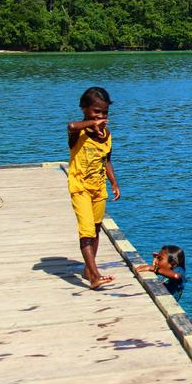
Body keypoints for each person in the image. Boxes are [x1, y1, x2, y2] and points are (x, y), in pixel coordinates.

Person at [67, 87, 120, 289]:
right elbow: (70, 125)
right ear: (84, 109)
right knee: (87, 231)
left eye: (104, 113)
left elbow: (107, 160)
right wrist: (92, 123)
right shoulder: (78, 132)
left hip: (98, 188)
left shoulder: (106, 134)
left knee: (97, 229)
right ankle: (95, 276)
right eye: (96, 111)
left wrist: (114, 182)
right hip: (80, 187)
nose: (101, 116)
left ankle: (89, 269)